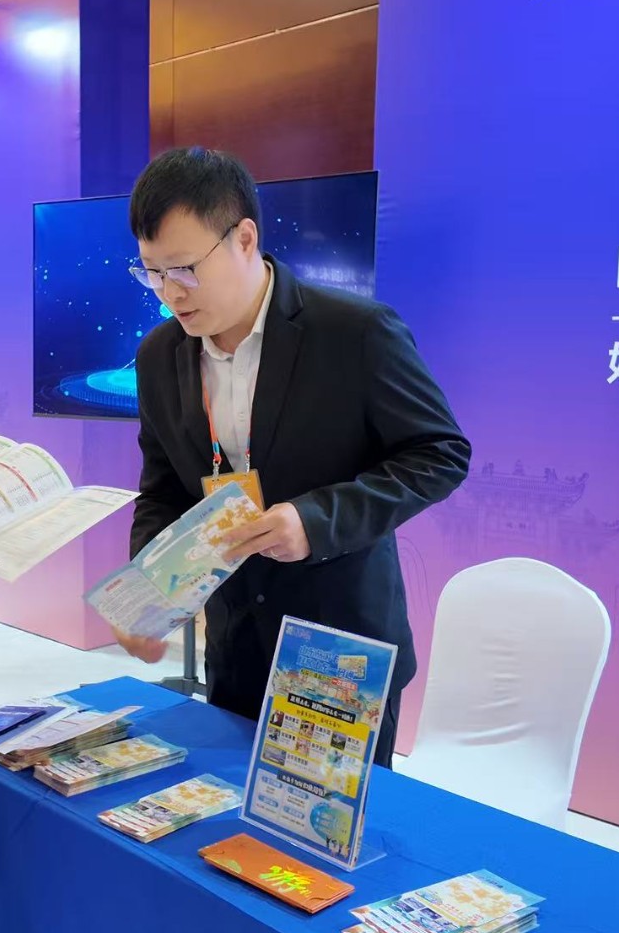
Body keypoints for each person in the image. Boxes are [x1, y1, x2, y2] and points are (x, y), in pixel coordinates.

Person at [113, 147, 471, 765]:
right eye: (151, 273)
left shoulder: (355, 333)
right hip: (236, 640)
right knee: (225, 812)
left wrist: (315, 520)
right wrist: (145, 592)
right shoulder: (159, 355)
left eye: (185, 270)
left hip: (339, 649)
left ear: (244, 238)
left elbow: (439, 453)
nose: (169, 293)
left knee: (321, 824)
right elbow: (164, 489)